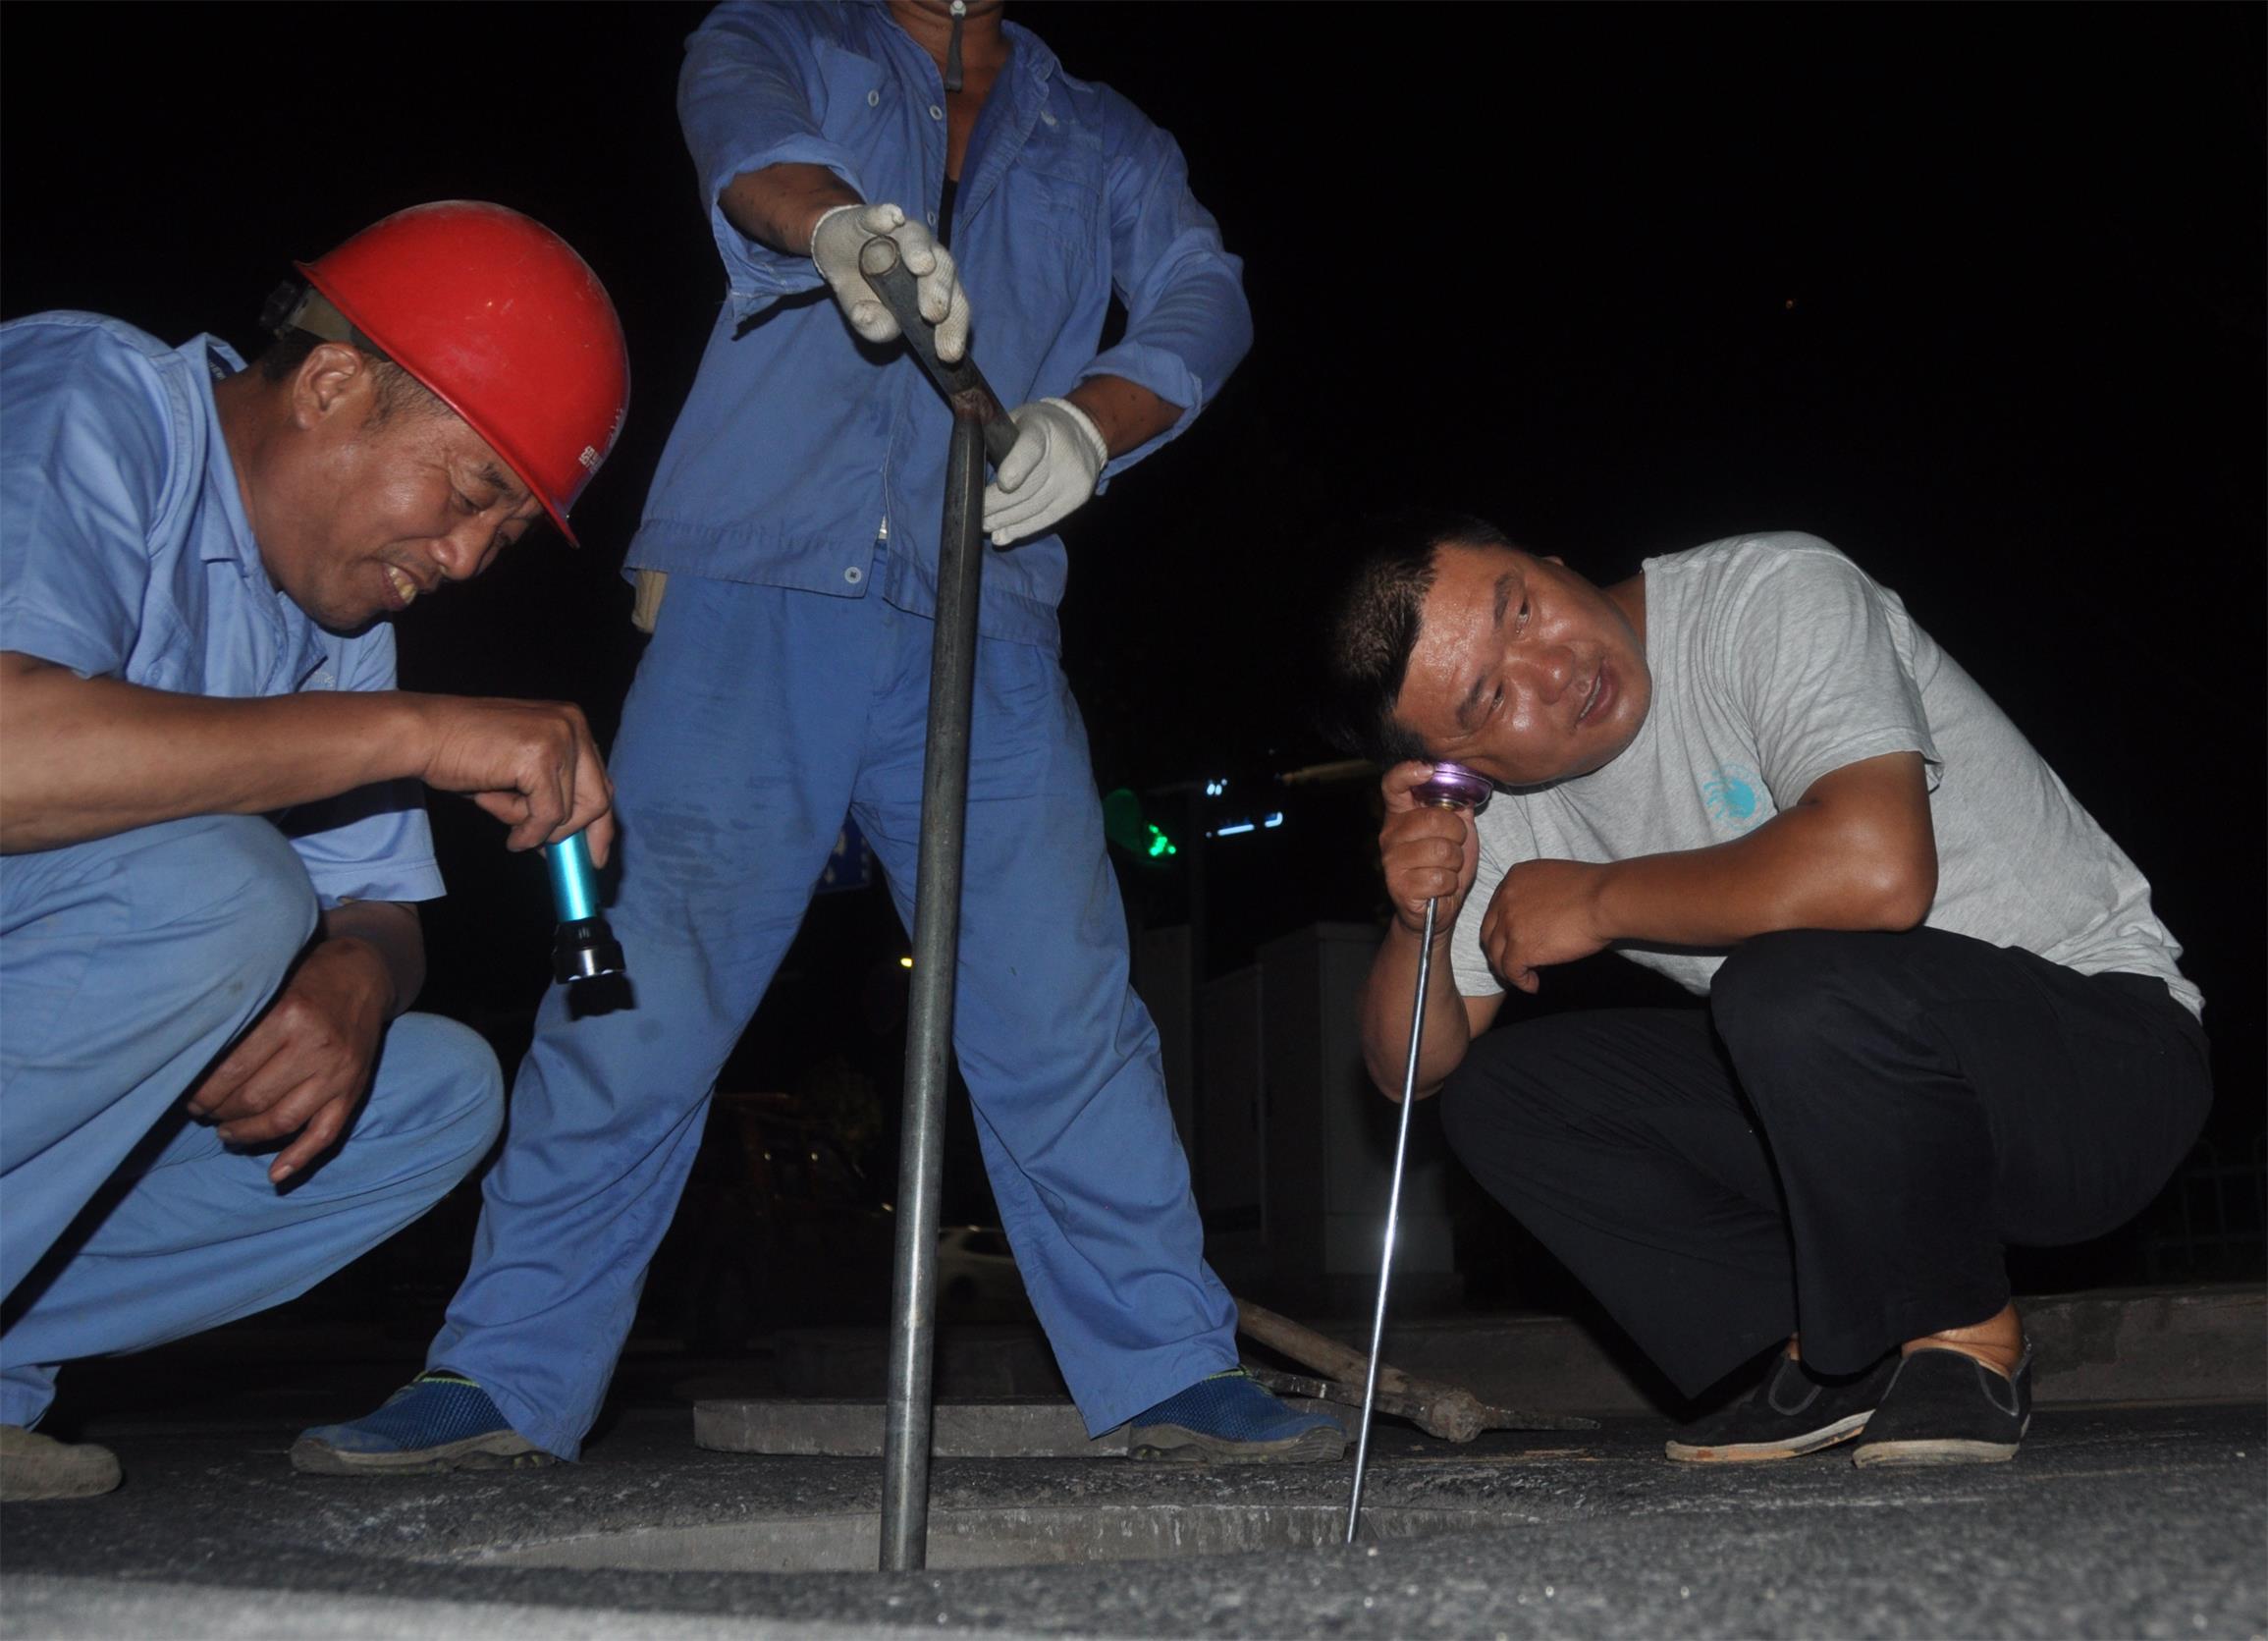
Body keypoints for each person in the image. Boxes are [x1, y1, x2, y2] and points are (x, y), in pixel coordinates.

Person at [297, 0, 1343, 1474]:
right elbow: (749, 151)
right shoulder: (776, 31)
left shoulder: (1106, 133)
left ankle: (1170, 1366)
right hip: (752, 585)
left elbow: (1203, 290)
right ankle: (503, 1371)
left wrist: (1092, 425)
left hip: (984, 608)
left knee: (1060, 1005)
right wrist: (840, 226)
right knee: (632, 997)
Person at [1323, 516, 2210, 1466]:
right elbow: (1411, 1072)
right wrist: (1421, 922)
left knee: (1782, 981)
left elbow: (1878, 870)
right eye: (1492, 699)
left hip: (2101, 1064)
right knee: (1503, 1099)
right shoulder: (1503, 809)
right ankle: (1843, 1350)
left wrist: (1599, 900)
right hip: (1863, 1100)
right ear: (1457, 768)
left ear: (1552, 564)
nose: (1553, 669)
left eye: (1523, 609)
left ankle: (1961, 1335)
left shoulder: (1772, 592)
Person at [0, 201, 630, 1501]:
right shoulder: (91, 396)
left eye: (504, 536)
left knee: (437, 1090)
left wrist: (358, 978)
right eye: (469, 493)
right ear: (331, 385)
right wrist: (419, 730)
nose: (465, 558)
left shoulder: (331, 615)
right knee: (229, 890)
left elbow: (379, 909)